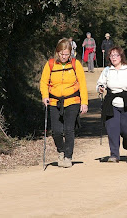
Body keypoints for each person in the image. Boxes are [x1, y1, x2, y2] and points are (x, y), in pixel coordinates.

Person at [40, 38, 88, 168]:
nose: (64, 57)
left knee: (69, 130)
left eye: (66, 54)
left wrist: (84, 102)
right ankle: (60, 150)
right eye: (61, 54)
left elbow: (82, 84)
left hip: (72, 101)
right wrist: (45, 96)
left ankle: (68, 156)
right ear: (57, 52)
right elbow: (44, 82)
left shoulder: (75, 64)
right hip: (55, 101)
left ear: (70, 53)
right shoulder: (50, 64)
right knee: (56, 131)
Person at [96, 46, 127, 163]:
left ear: (121, 56)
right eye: (111, 55)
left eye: (116, 55)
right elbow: (100, 83)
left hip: (126, 102)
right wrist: (100, 88)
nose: (114, 58)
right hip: (111, 102)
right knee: (112, 129)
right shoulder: (107, 70)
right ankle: (114, 154)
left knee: (126, 130)